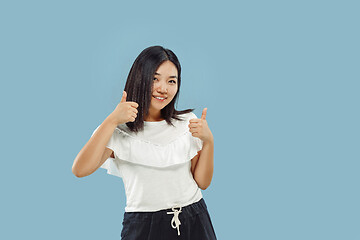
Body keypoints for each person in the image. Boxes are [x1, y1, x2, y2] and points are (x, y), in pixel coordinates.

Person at [72, 45, 217, 239]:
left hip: (194, 219)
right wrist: (111, 120)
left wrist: (208, 141)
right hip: (145, 226)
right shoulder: (118, 130)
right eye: (154, 78)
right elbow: (80, 170)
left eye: (171, 81)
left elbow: (203, 182)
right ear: (139, 78)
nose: (163, 88)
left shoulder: (187, 123)